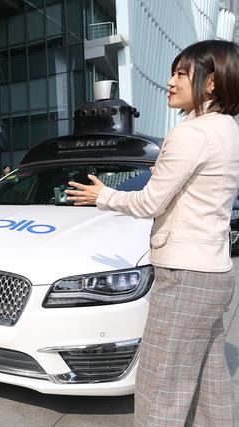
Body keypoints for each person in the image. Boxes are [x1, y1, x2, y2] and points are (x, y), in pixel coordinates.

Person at [65, 40, 239, 426]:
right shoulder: (229, 129)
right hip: (214, 274)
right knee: (211, 382)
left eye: (181, 73)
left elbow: (149, 203)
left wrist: (103, 195)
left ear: (211, 83)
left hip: (185, 277)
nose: (171, 81)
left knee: (161, 387)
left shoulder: (190, 133)